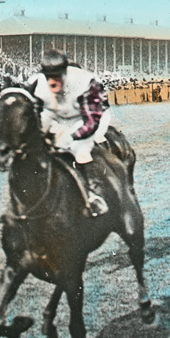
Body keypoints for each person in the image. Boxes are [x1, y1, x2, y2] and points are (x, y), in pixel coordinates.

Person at [27, 50, 111, 216]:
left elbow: (91, 121)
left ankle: (93, 194)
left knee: (80, 150)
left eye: (57, 76)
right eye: (49, 76)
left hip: (89, 117)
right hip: (58, 115)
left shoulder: (86, 83)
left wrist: (72, 137)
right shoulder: (36, 83)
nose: (53, 81)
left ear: (65, 72)